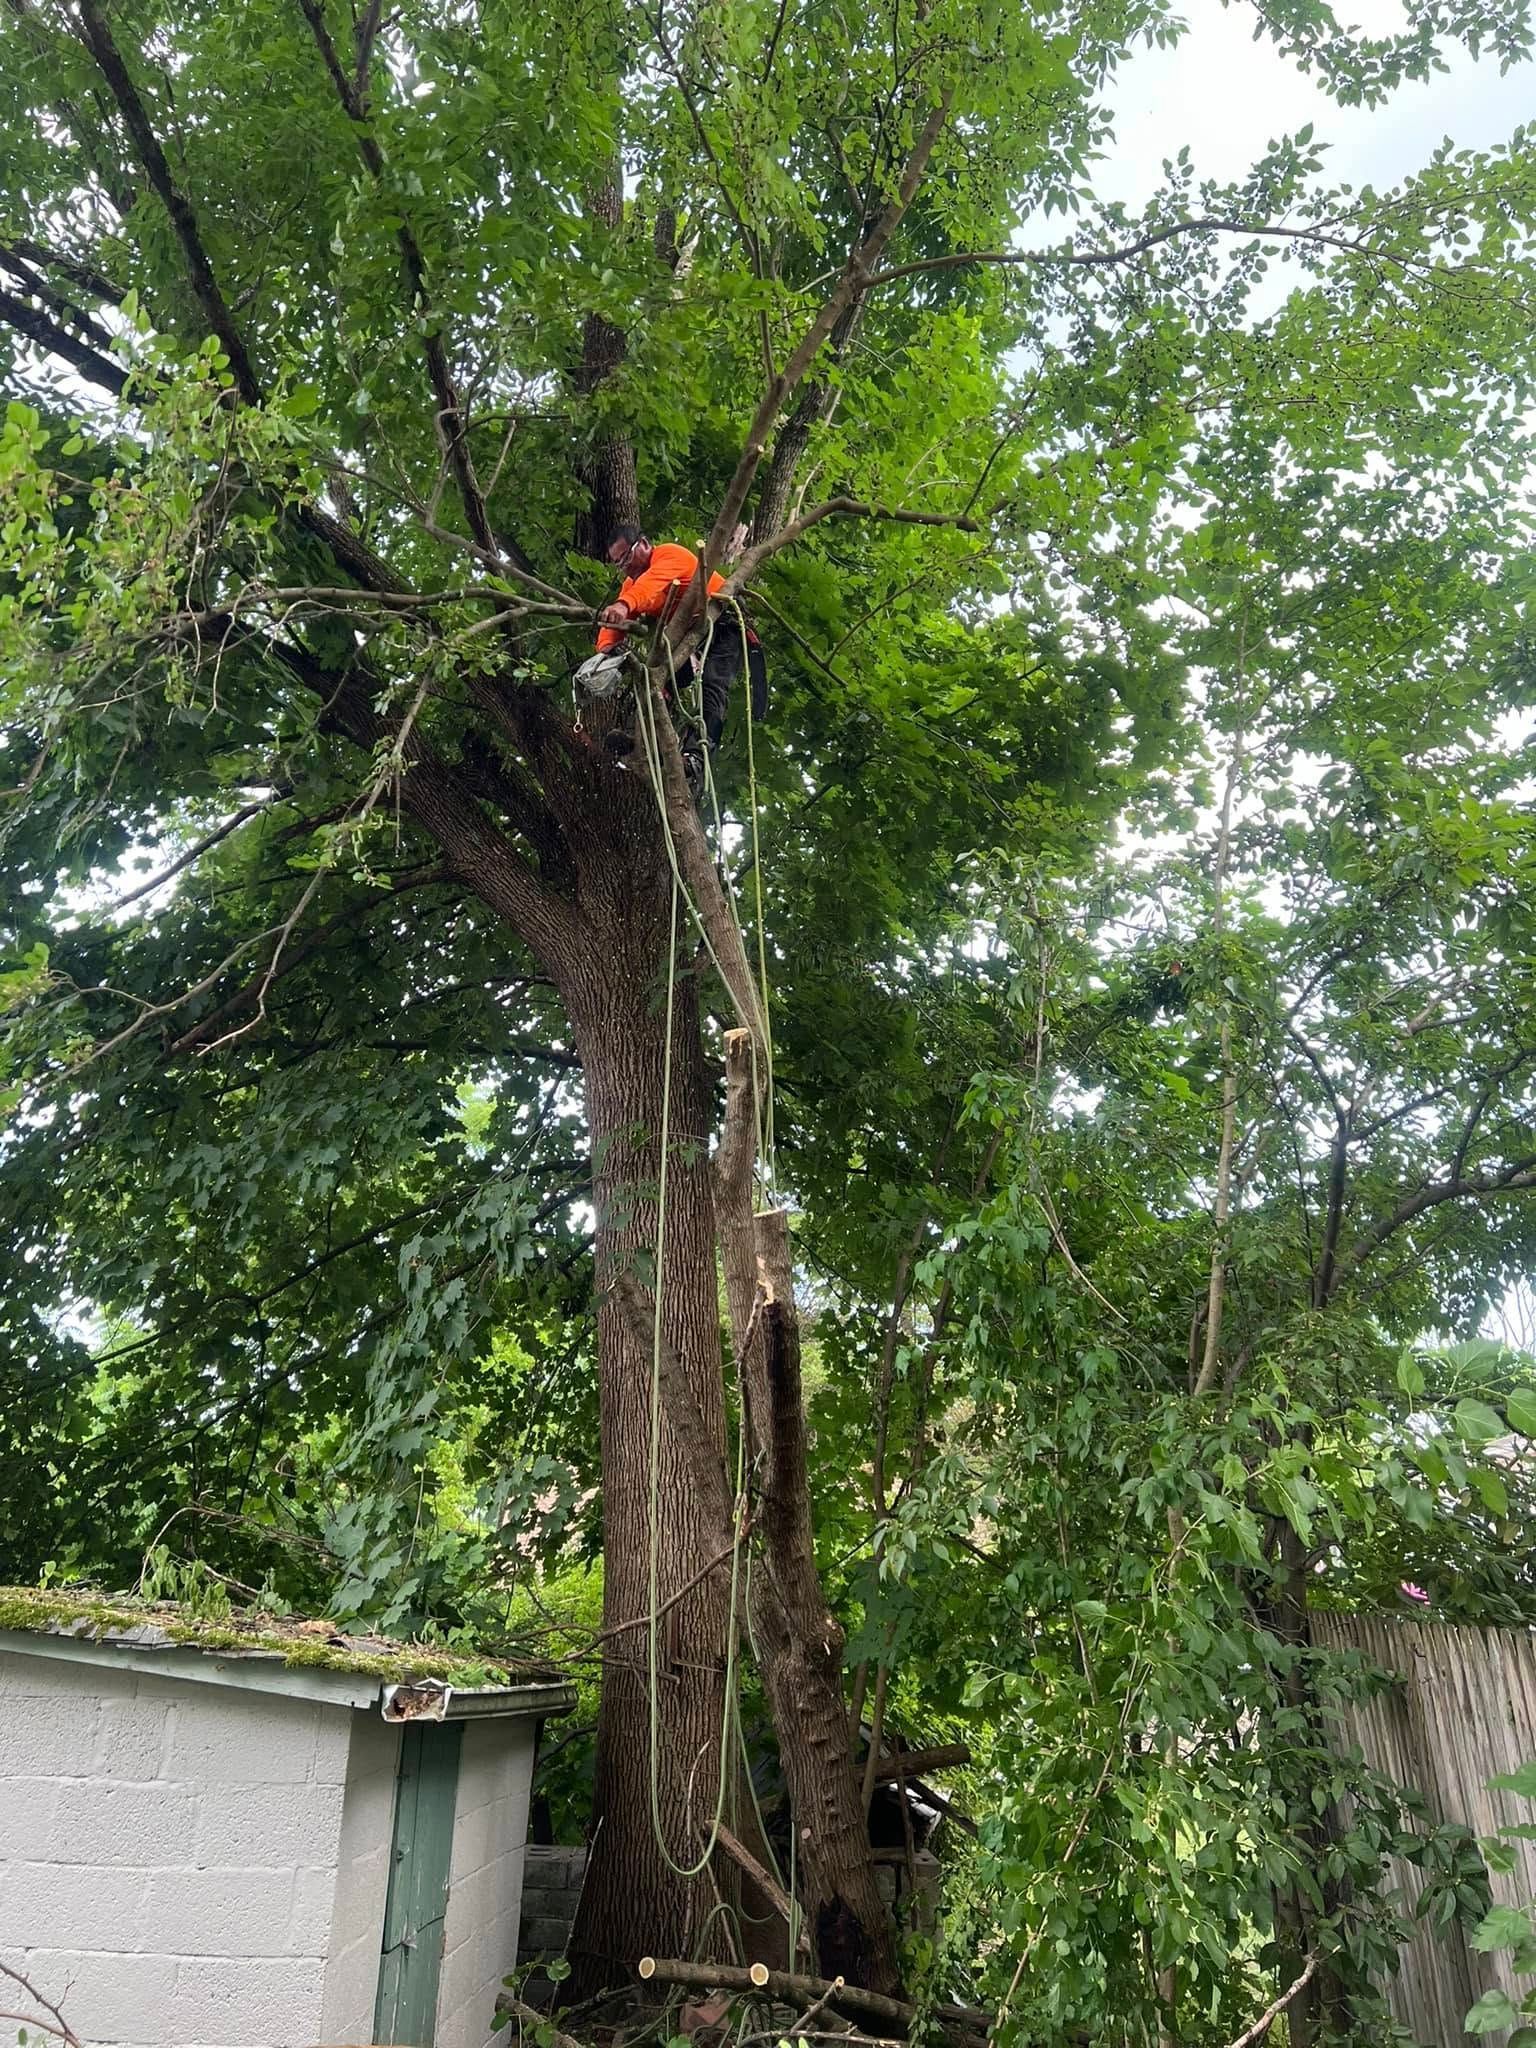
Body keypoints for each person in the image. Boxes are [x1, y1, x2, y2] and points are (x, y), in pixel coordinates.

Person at [596, 524, 767, 783]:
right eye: (619, 563)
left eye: (627, 557)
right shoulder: (632, 584)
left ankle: (698, 755)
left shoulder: (668, 555)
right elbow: (619, 620)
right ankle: (644, 739)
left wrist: (623, 604)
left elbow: (649, 587)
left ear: (643, 544)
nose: (626, 566)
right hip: (691, 638)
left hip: (725, 623)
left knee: (712, 684)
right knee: (657, 682)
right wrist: (604, 651)